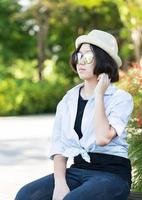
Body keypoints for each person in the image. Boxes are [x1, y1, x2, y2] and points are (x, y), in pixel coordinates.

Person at [15, 29, 134, 200]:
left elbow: (102, 138)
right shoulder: (68, 100)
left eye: (88, 57)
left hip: (112, 175)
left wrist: (99, 95)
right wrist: (60, 183)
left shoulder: (120, 98)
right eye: (79, 55)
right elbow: (59, 146)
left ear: (103, 60)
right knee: (26, 195)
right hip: (77, 171)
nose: (80, 62)